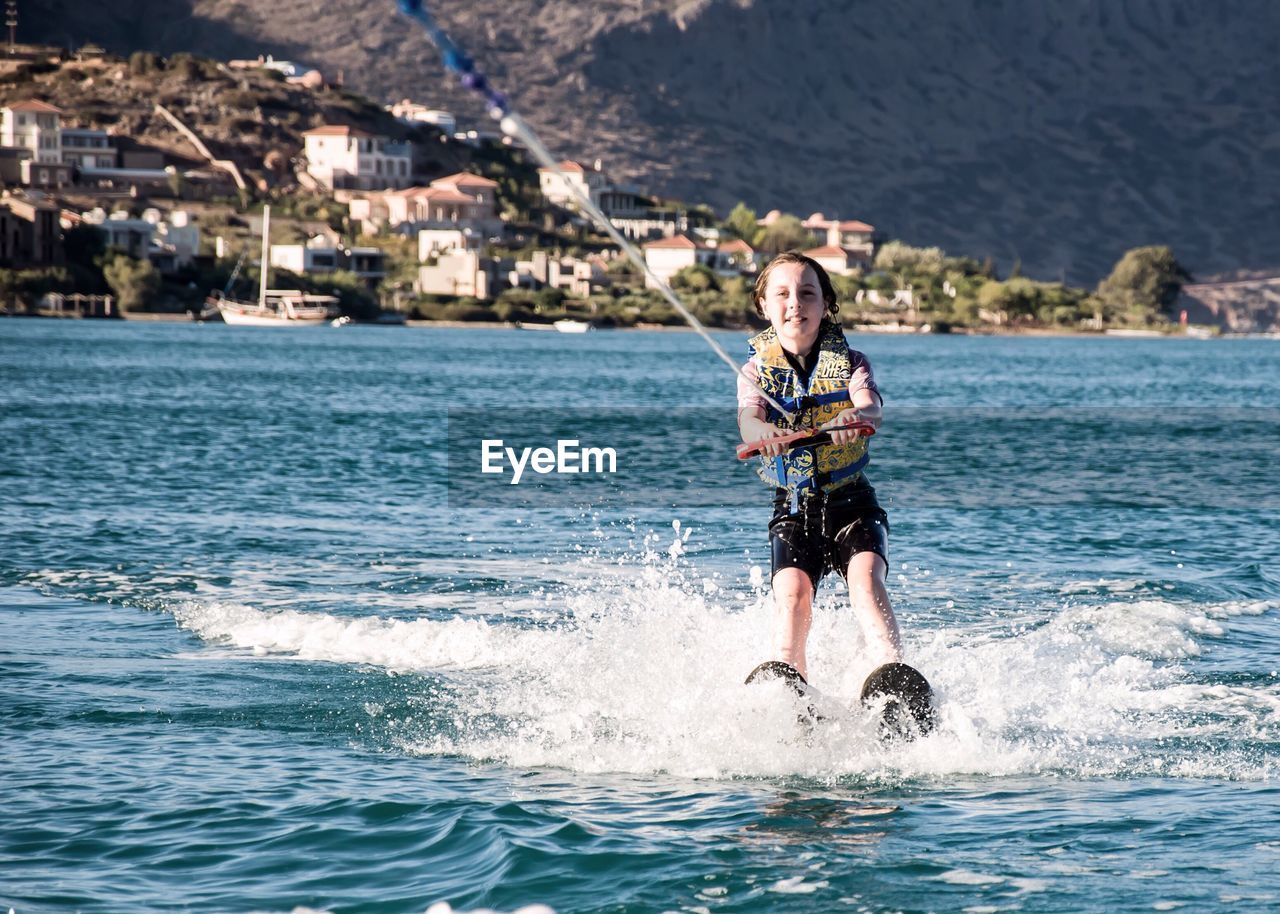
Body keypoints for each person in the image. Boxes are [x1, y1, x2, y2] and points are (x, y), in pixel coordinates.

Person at [738, 252, 931, 732]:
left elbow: (871, 406)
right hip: (796, 504)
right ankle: (787, 680)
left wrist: (853, 418)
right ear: (764, 305)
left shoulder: (852, 364)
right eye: (781, 294)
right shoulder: (754, 373)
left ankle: (889, 672)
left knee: (865, 578)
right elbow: (747, 419)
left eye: (807, 293)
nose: (795, 304)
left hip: (852, 499)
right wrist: (759, 432)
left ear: (826, 305)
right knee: (793, 592)